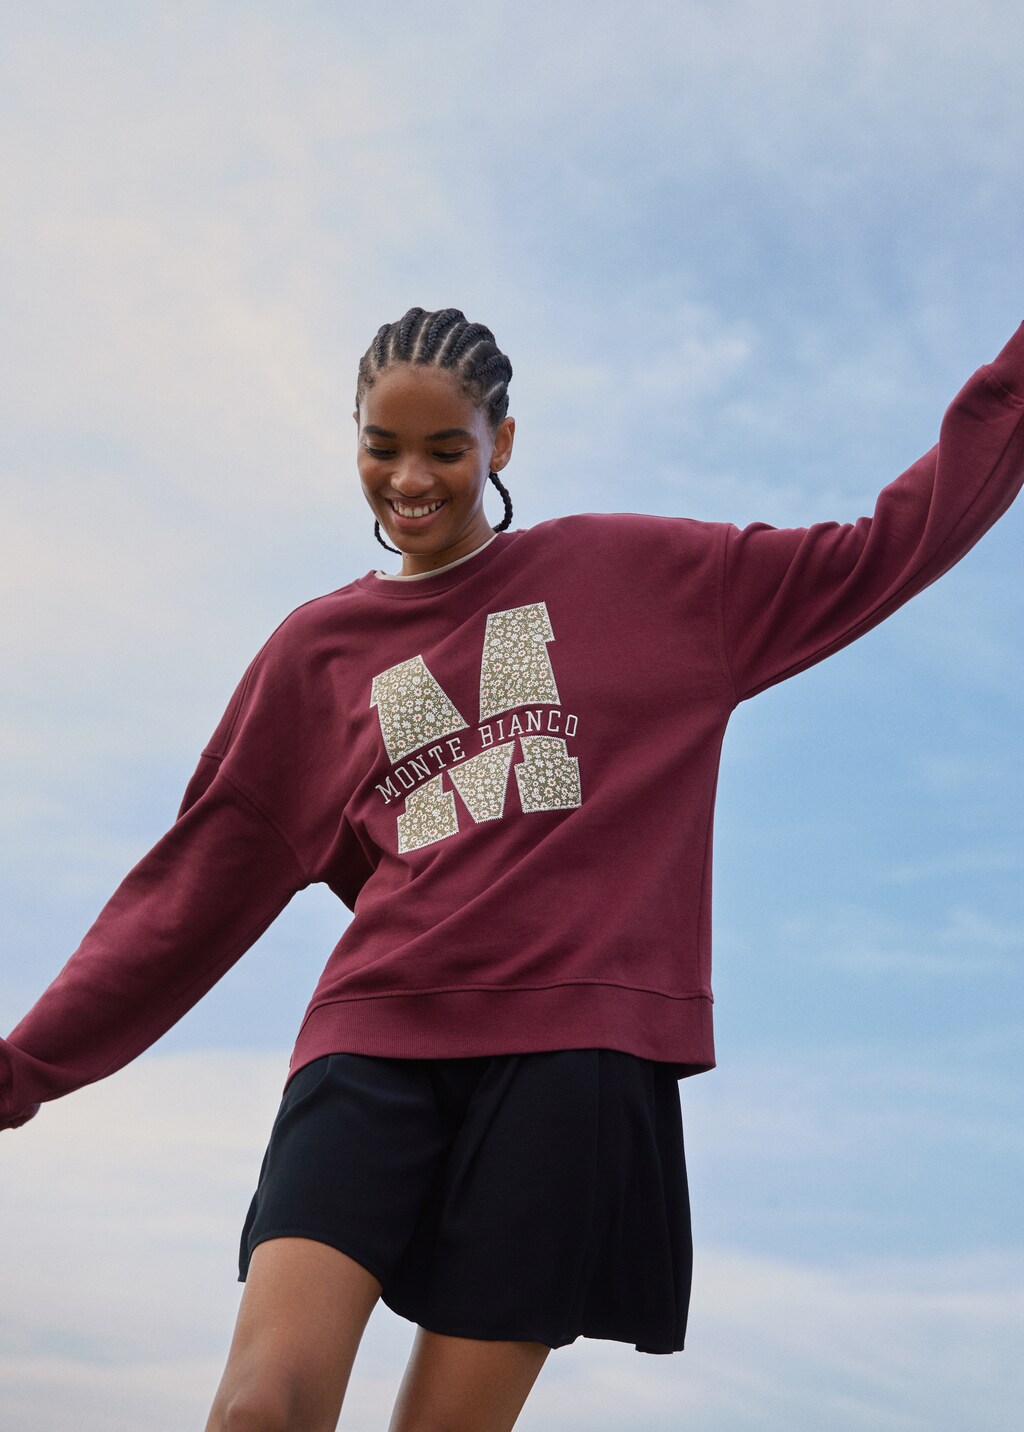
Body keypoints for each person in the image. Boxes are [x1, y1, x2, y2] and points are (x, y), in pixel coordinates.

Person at [2, 306, 1022, 1432]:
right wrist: (23, 1069)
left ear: (502, 441)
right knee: (262, 1407)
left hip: (574, 1062)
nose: (409, 478)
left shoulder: (652, 577)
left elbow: (895, 541)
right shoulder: (315, 653)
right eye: (381, 446)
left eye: (445, 447)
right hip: (373, 1037)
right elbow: (190, 892)